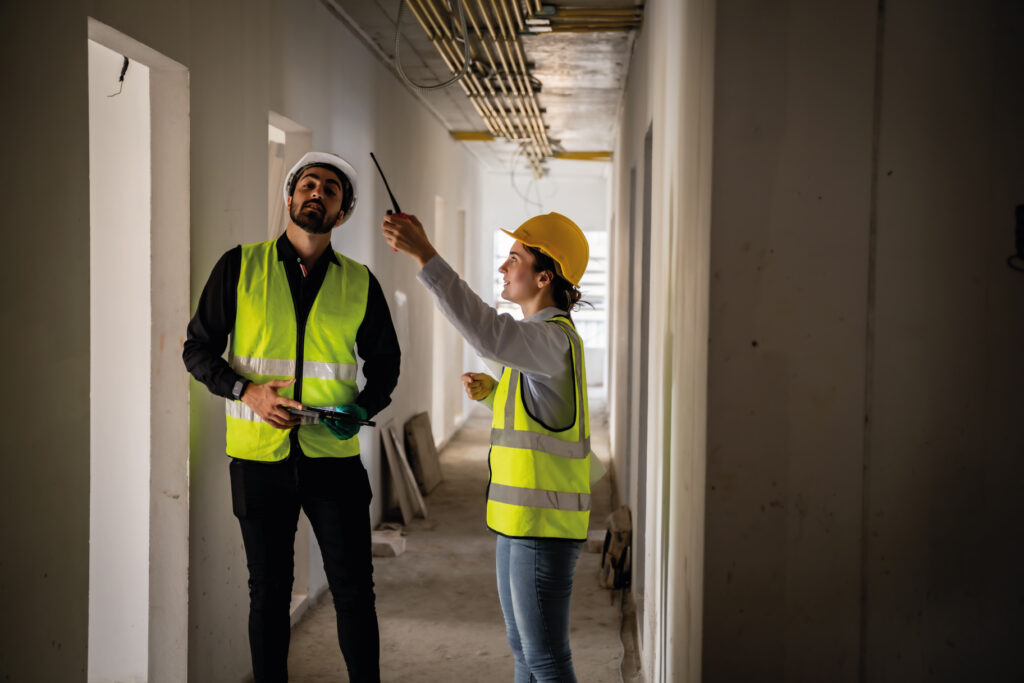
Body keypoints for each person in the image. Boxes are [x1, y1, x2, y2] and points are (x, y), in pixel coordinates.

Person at [183, 152, 400, 683]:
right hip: (259, 462)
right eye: (309, 184)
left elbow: (386, 365)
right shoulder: (240, 265)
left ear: (341, 213)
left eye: (330, 191)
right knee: (270, 592)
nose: (317, 194)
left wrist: (363, 408)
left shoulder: (360, 282)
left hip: (334, 461)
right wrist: (246, 391)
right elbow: (197, 349)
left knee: (352, 590)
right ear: (289, 197)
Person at [381, 210, 593, 682]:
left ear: (544, 277)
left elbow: (488, 334)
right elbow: (547, 418)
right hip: (520, 523)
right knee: (525, 650)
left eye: (514, 258)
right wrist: (496, 393)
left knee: (545, 658)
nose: (503, 268)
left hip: (542, 527)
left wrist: (425, 254)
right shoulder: (540, 343)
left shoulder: (549, 340)